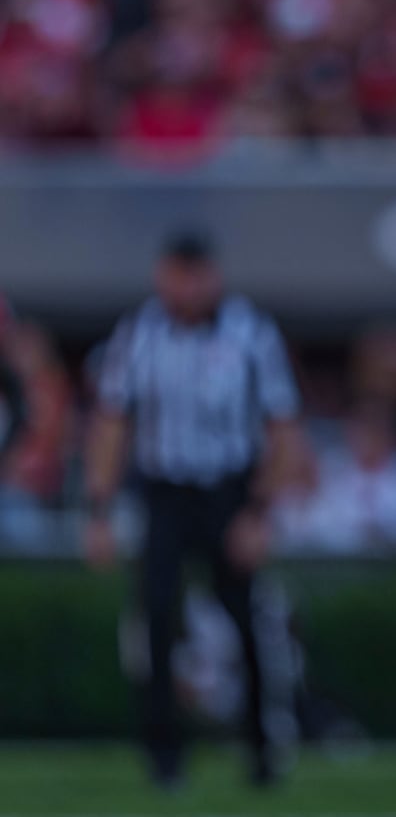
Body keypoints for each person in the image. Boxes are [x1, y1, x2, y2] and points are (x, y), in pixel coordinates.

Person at [81, 230, 302, 788]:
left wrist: (259, 511)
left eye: (194, 274)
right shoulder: (139, 334)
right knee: (156, 618)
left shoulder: (250, 333)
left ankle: (260, 747)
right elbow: (111, 423)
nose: (184, 287)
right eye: (175, 274)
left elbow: (281, 428)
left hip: (228, 492)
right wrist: (99, 509)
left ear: (212, 276)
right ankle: (163, 754)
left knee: (247, 621)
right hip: (164, 492)